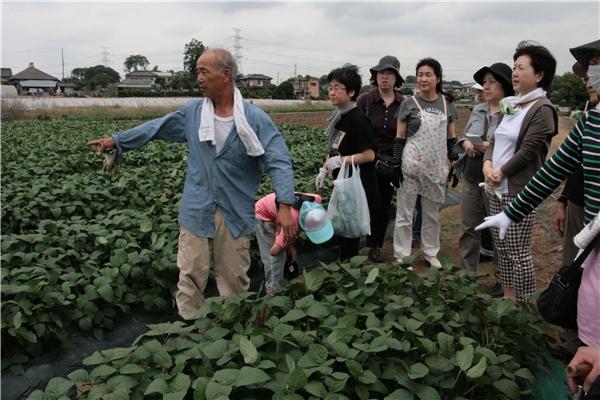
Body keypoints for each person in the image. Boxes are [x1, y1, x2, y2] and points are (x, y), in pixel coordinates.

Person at [87, 48, 297, 321]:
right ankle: (189, 328)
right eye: (197, 71)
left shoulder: (254, 120)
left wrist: (285, 204)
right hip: (197, 205)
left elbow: (279, 160)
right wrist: (118, 140)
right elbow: (157, 127)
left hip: (234, 209)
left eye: (203, 71)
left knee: (234, 276)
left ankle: (232, 328)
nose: (198, 77)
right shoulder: (193, 113)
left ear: (226, 75)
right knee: (190, 273)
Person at [477, 39, 600, 344]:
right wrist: (511, 213)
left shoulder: (542, 109)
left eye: (595, 66)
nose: (587, 76)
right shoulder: (592, 119)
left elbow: (532, 152)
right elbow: (552, 170)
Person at [477, 41, 558, 302]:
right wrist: (487, 165)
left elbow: (528, 151)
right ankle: (509, 298)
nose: (514, 72)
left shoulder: (542, 109)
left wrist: (499, 172)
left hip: (518, 192)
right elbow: (495, 138)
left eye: (521, 67)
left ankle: (523, 305)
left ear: (539, 75)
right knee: (501, 248)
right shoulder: (512, 104)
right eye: (514, 67)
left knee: (518, 252)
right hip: (494, 188)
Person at [392, 57, 459, 269]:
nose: (423, 78)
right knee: (405, 214)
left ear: (437, 78)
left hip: (435, 169)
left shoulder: (447, 105)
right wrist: (395, 164)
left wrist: (454, 162)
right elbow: (400, 137)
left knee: (431, 215)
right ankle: (402, 256)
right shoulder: (408, 104)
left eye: (428, 74)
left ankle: (430, 252)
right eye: (420, 74)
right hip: (410, 168)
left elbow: (451, 138)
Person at [315, 64, 380, 261]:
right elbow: (336, 149)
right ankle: (345, 267)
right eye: (330, 87)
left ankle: (349, 270)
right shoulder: (340, 117)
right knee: (344, 230)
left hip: (357, 184)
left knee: (350, 232)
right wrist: (325, 168)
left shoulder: (358, 119)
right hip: (343, 183)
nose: (332, 92)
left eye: (337, 87)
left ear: (351, 92)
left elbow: (369, 155)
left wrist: (341, 161)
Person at [456, 62, 514, 273]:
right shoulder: (479, 109)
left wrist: (490, 147)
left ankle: (502, 279)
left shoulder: (512, 111)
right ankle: (466, 275)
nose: (486, 86)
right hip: (472, 174)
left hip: (498, 180)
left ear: (505, 85)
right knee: (469, 227)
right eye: (484, 82)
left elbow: (517, 145)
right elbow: (465, 135)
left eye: (492, 82)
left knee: (499, 231)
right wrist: (467, 144)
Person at [356, 55, 405, 262]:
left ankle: (375, 245)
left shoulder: (404, 103)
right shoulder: (365, 100)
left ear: (396, 78)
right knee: (364, 203)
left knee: (382, 205)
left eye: (389, 73)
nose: (384, 77)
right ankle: (356, 241)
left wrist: (398, 162)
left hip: (390, 163)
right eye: (380, 73)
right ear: (375, 77)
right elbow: (353, 128)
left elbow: (407, 135)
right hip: (366, 160)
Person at [554, 60, 599, 267]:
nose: (588, 81)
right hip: (579, 199)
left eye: (592, 72)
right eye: (585, 77)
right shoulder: (590, 115)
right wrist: (563, 199)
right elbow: (567, 164)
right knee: (572, 266)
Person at [255, 192, 332, 294]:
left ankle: (282, 277)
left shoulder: (315, 200)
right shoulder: (290, 223)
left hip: (278, 207)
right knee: (276, 259)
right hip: (262, 216)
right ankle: (273, 291)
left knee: (285, 251)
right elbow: (273, 251)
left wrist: (291, 248)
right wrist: (285, 244)